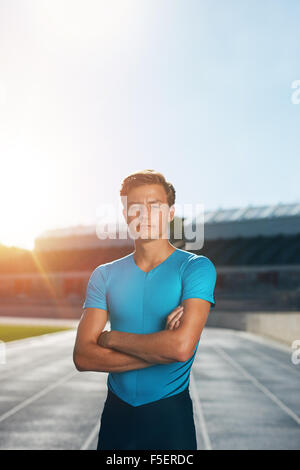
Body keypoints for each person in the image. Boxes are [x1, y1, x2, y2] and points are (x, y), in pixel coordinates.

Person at [73, 169, 217, 450]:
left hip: (170, 418)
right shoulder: (104, 275)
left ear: (171, 212)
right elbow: (83, 357)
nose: (145, 215)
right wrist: (162, 350)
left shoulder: (195, 268)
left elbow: (180, 348)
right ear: (125, 214)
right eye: (135, 207)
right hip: (116, 415)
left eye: (155, 206)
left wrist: (109, 338)